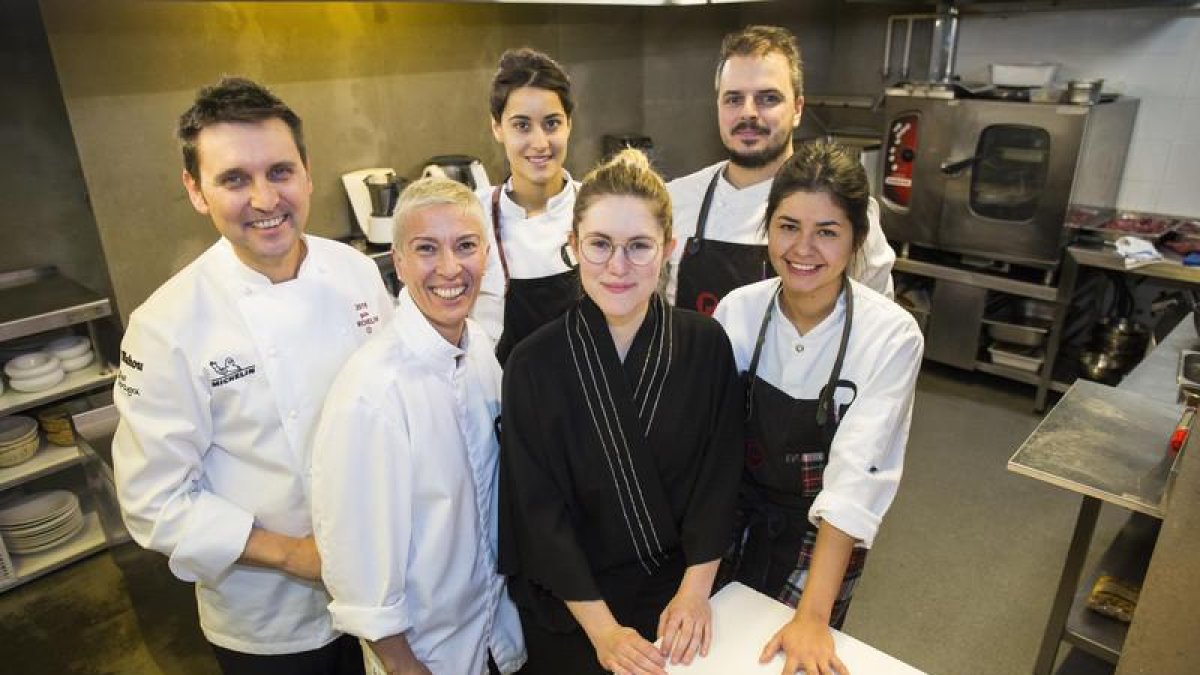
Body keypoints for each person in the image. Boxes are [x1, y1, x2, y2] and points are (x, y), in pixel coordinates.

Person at [112, 77, 394, 674]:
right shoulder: (165, 327)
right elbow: (153, 503)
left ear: (308, 172)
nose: (265, 199)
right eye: (234, 179)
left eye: (280, 172)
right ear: (195, 190)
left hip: (382, 584)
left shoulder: (356, 273)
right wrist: (296, 556)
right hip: (267, 620)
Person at [498, 149, 743, 675]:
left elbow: (719, 480)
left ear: (668, 250)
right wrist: (604, 631)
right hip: (575, 604)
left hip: (679, 594)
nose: (618, 267)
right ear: (573, 246)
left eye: (639, 247)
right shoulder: (532, 364)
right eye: (600, 245)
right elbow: (538, 516)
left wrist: (695, 593)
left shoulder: (706, 344)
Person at [713, 142, 923, 675]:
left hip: (823, 530)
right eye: (788, 227)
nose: (803, 249)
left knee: (789, 659)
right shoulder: (738, 312)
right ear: (768, 229)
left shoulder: (890, 336)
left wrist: (813, 616)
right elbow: (707, 449)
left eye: (827, 231)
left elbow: (856, 480)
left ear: (856, 240)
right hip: (732, 512)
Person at [310, 178, 524, 675]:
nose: (450, 268)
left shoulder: (480, 354)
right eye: (427, 249)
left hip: (496, 636)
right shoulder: (372, 394)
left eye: (465, 246)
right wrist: (403, 666)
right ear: (399, 263)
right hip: (429, 657)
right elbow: (355, 560)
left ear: (486, 255)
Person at [665, 25, 896, 316]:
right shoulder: (675, 199)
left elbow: (878, 325)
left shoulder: (841, 208)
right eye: (734, 99)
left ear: (798, 109)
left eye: (768, 98)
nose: (748, 113)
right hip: (694, 362)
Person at [473, 47, 581, 362]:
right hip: (504, 398)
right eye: (522, 125)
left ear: (569, 124)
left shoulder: (598, 207)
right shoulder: (472, 218)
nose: (539, 143)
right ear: (497, 127)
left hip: (589, 395)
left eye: (551, 124)